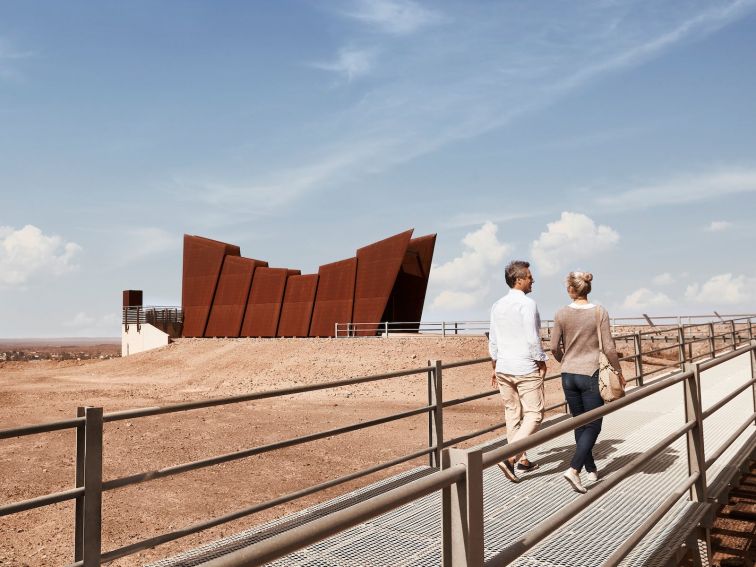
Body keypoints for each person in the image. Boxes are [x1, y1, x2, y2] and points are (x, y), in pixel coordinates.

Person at [550, 271, 625, 494]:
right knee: (593, 424)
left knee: (580, 423)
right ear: (587, 289)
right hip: (590, 372)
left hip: (568, 375)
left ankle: (590, 467)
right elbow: (609, 348)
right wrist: (619, 371)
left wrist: (564, 361)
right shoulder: (599, 312)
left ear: (570, 289)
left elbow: (554, 347)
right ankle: (574, 469)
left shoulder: (561, 313)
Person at [489, 260, 548, 483]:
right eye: (530, 277)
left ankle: (520, 460)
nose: (533, 280)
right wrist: (541, 360)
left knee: (512, 414)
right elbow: (532, 337)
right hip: (524, 366)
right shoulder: (528, 304)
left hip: (504, 366)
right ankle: (510, 458)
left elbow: (493, 338)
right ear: (519, 279)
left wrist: (494, 365)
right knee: (534, 413)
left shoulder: (497, 305)